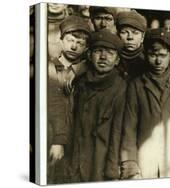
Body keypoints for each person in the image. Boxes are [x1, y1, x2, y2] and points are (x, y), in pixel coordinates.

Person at [120, 28, 170, 179]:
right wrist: (131, 166)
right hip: (144, 161)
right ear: (145, 54)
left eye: (162, 55)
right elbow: (129, 128)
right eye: (153, 55)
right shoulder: (136, 85)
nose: (158, 60)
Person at [71, 29, 127, 182]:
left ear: (117, 60)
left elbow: (117, 133)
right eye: (98, 51)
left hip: (101, 164)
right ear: (89, 55)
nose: (103, 57)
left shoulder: (121, 89)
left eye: (110, 53)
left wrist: (111, 170)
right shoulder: (80, 84)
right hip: (75, 160)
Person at [47, 15, 91, 184]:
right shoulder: (49, 67)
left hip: (79, 136)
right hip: (53, 134)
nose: (74, 46)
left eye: (80, 43)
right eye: (70, 40)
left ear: (86, 47)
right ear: (61, 40)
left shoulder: (88, 72)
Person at [116, 10, 148, 80]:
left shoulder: (148, 61)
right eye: (124, 32)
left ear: (142, 37)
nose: (130, 37)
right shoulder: (112, 58)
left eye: (135, 33)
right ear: (118, 35)